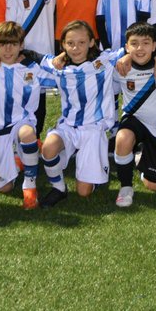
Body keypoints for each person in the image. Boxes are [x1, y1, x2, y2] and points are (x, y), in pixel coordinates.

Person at [36, 20, 118, 208]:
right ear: (63, 45)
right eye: (70, 43)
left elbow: (132, 48)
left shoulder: (104, 60)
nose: (76, 48)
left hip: (93, 129)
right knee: (48, 148)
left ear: (91, 42)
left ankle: (94, 175)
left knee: (83, 193)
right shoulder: (58, 65)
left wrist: (155, 59)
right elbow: (30, 56)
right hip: (68, 126)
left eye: (82, 42)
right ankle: (58, 188)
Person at [0, 21, 50, 210]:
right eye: (2, 44)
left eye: (13, 44)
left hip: (22, 122)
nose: (7, 49)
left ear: (21, 46)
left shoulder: (31, 69)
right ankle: (17, 158)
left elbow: (59, 73)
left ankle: (30, 185)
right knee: (5, 187)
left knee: (28, 133)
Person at [108, 23, 156, 208]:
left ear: (154, 46)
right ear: (126, 47)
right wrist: (124, 56)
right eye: (134, 44)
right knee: (122, 138)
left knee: (153, 186)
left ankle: (140, 159)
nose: (140, 48)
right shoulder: (120, 67)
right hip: (134, 119)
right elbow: (98, 60)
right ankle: (126, 187)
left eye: (145, 43)